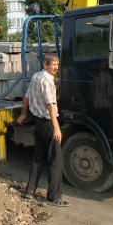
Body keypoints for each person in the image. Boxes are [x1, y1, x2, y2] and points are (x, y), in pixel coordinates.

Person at [17, 53, 70, 207]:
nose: (56, 67)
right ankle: (54, 197)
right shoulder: (47, 80)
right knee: (56, 160)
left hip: (38, 123)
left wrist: (24, 114)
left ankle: (30, 191)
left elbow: (26, 97)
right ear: (45, 65)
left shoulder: (36, 77)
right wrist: (56, 128)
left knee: (38, 157)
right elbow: (50, 105)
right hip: (47, 123)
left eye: (57, 64)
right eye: (53, 64)